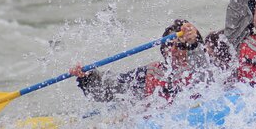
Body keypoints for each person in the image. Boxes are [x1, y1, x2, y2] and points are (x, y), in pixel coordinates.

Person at [69, 20, 208, 103]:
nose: (173, 50)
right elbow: (106, 91)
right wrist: (86, 77)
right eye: (169, 45)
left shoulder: (206, 65)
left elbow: (199, 58)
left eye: (179, 45)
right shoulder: (152, 73)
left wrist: (192, 42)